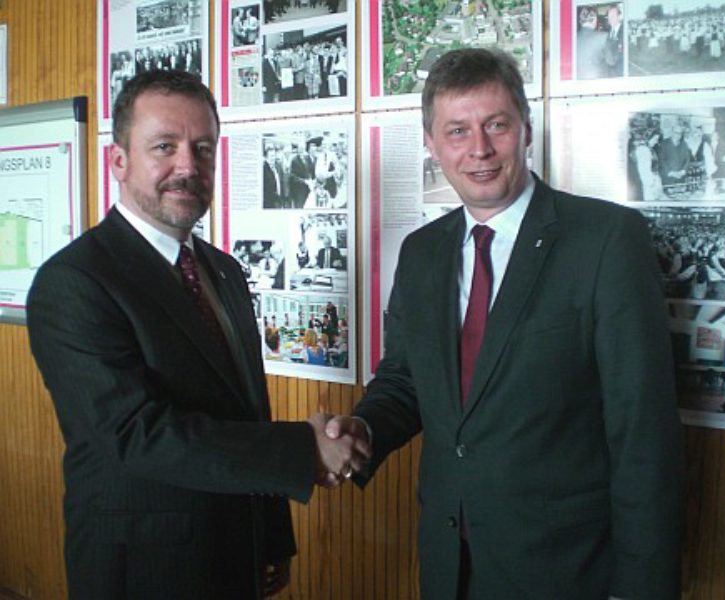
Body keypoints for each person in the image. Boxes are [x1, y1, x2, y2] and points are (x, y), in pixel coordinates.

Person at [326, 48, 683, 599]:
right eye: (457, 131)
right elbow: (404, 380)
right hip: (449, 562)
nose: (480, 150)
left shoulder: (607, 240)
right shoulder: (421, 253)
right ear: (431, 143)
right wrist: (365, 429)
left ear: (526, 128)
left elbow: (644, 430)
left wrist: (641, 586)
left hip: (569, 570)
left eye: (496, 125)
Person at [26, 70, 368, 600]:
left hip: (237, 550)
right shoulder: (74, 281)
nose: (188, 166)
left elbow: (248, 410)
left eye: (203, 148)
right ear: (119, 162)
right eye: (164, 146)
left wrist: (273, 536)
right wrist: (304, 451)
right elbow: (135, 434)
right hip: (145, 568)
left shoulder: (223, 270)